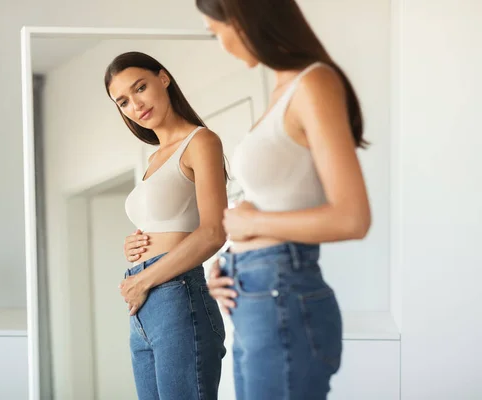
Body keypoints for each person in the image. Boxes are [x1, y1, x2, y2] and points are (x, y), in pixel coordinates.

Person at [193, 0, 373, 399]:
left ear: (242, 17)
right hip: (255, 292)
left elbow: (352, 217)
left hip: (282, 293)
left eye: (214, 30)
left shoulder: (314, 83)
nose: (219, 43)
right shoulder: (283, 88)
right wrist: (230, 265)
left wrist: (253, 226)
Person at [104, 51, 227, 400]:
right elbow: (168, 221)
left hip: (175, 293)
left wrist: (143, 278)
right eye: (123, 101)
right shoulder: (155, 156)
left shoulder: (201, 141)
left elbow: (214, 232)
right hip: (144, 306)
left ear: (163, 78)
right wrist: (134, 246)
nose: (135, 105)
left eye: (140, 87)